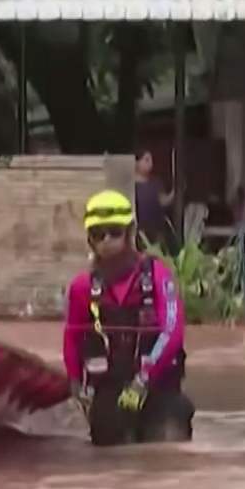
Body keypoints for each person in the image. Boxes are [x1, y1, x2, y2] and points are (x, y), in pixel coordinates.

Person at [62, 191, 195, 447]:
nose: (107, 241)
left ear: (130, 232)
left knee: (167, 446)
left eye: (114, 232)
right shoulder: (82, 287)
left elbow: (173, 331)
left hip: (159, 389)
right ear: (90, 240)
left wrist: (143, 380)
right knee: (109, 452)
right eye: (99, 235)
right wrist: (76, 385)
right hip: (110, 392)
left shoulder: (157, 276)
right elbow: (72, 336)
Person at [133, 148, 180, 251]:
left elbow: (163, 201)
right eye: (146, 160)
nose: (151, 163)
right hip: (140, 233)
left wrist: (175, 192)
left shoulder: (156, 182)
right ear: (136, 162)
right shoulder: (131, 186)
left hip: (157, 230)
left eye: (151, 160)